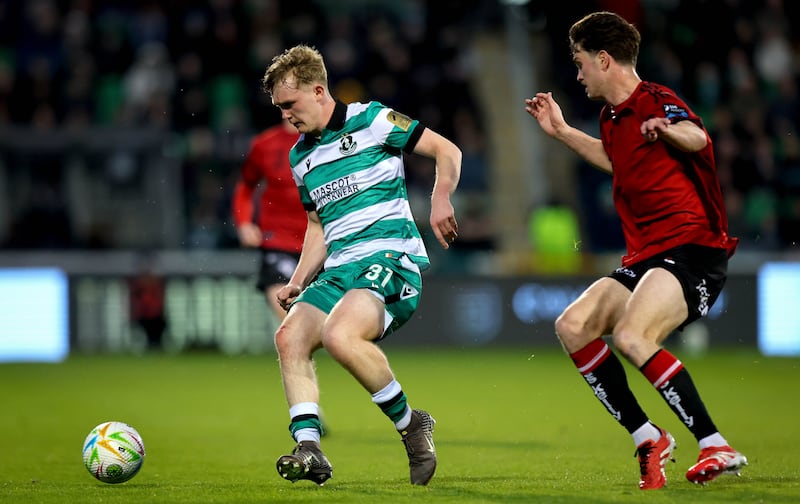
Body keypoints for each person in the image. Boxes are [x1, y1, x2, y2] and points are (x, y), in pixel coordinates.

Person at [524, 11, 747, 490]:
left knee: (631, 336)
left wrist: (665, 129)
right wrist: (562, 131)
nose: (578, 74)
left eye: (581, 63)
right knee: (573, 326)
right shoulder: (611, 118)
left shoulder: (656, 100)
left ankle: (715, 444)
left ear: (604, 60)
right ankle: (648, 437)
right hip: (647, 255)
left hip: (691, 248)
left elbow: (697, 136)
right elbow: (616, 162)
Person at [262, 44, 461, 486]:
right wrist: (298, 280)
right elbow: (318, 225)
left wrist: (440, 198)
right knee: (289, 336)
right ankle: (310, 448)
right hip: (339, 270)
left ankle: (411, 425)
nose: (286, 116)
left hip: (391, 259)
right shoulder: (300, 157)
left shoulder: (372, 120)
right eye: (279, 108)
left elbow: (447, 150)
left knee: (339, 334)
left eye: (290, 104)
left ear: (318, 91)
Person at [231, 117, 305, 324]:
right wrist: (244, 223)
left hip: (323, 241)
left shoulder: (330, 139)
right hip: (279, 240)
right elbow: (246, 186)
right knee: (284, 303)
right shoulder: (264, 144)